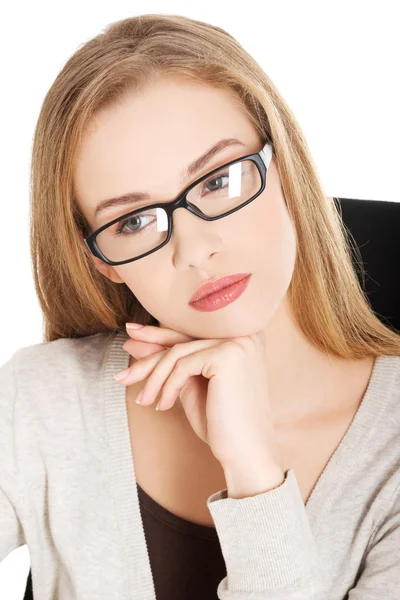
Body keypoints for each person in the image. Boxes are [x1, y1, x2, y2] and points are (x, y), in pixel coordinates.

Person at [1, 13, 399, 600]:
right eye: (132, 221)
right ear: (101, 260)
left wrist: (256, 474)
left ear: (283, 169)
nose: (196, 250)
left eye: (218, 181)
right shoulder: (44, 402)